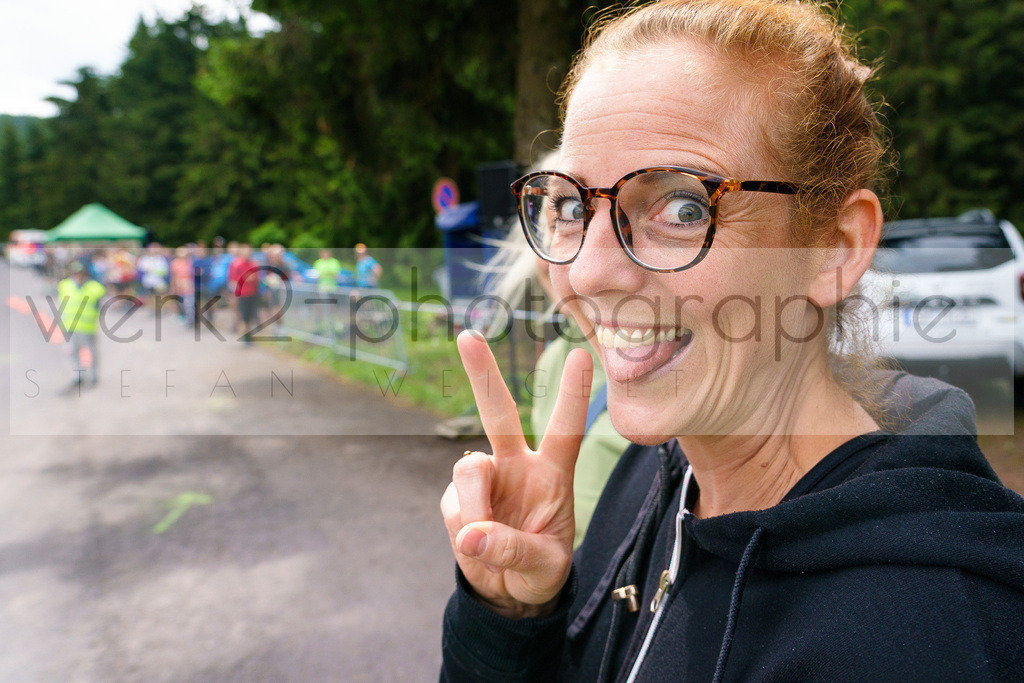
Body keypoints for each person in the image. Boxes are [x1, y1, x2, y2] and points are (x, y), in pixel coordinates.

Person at [439, 2, 1024, 681]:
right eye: (572, 205)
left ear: (834, 246)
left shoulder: (920, 639)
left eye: (684, 206)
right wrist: (512, 620)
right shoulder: (657, 468)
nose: (586, 271)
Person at [57, 260, 105, 389]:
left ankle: (93, 376)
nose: (78, 276)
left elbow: (99, 303)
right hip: (69, 325)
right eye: (76, 273)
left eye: (80, 273)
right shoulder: (64, 285)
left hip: (87, 327)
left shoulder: (94, 287)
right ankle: (78, 376)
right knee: (73, 352)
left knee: (92, 352)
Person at [227, 243, 261, 344]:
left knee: (250, 316)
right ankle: (246, 337)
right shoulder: (236, 264)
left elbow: (257, 277)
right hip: (242, 294)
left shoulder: (254, 263)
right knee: (244, 317)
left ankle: (248, 335)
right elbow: (232, 280)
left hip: (253, 293)